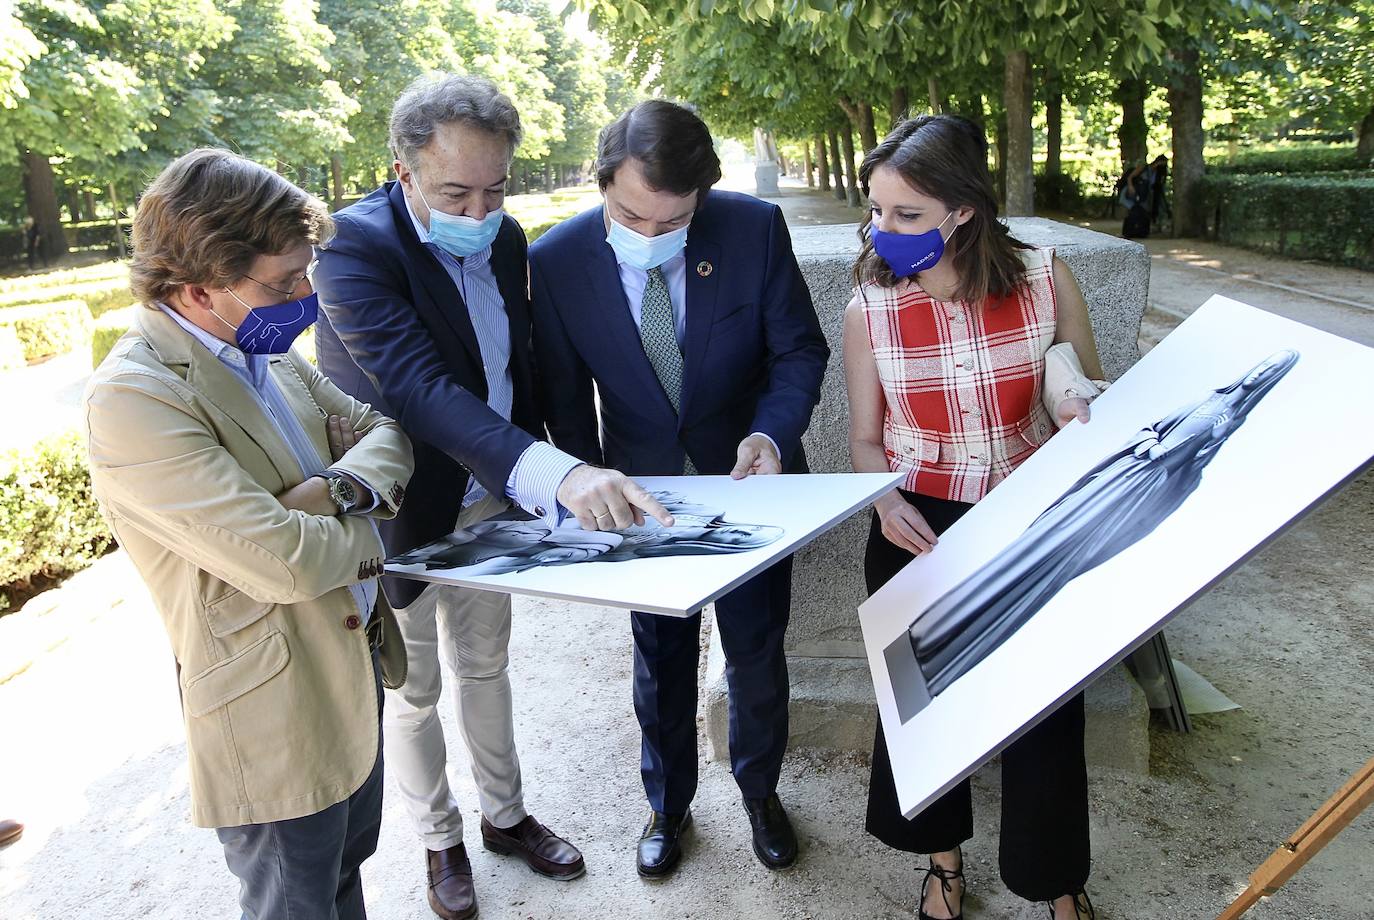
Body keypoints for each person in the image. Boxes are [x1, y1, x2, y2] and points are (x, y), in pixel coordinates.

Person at [312, 74, 663, 920]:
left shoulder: (503, 241)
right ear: (401, 169)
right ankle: (439, 841)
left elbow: (520, 370)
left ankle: (504, 817)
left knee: (489, 668)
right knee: (414, 687)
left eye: (497, 189)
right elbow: (422, 389)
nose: (479, 213)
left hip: (492, 498)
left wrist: (560, 474)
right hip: (403, 508)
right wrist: (555, 473)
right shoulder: (351, 249)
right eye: (455, 193)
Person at [82, 148, 415, 920]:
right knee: (293, 902)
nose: (307, 295)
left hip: (350, 662)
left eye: (307, 272)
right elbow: (290, 563)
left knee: (344, 875)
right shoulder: (137, 397)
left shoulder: (265, 351)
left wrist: (327, 488)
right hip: (273, 709)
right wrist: (367, 523)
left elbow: (382, 432)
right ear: (198, 287)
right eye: (284, 281)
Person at [529, 100, 829, 877]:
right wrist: (587, 489)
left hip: (750, 482)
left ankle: (761, 791)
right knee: (658, 658)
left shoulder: (752, 228)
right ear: (603, 184)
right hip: (639, 492)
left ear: (702, 195)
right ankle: (667, 806)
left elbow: (798, 350)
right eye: (632, 215)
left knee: (757, 649)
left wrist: (772, 433)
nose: (653, 237)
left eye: (674, 221)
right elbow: (564, 396)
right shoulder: (556, 259)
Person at [843, 114, 1106, 920]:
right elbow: (863, 439)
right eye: (877, 211)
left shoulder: (1046, 278)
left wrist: (1077, 405)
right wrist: (884, 498)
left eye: (906, 214)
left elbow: (1091, 391)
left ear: (963, 210)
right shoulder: (869, 307)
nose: (885, 230)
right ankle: (943, 863)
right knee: (928, 711)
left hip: (1032, 520)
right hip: (917, 526)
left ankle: (1056, 882)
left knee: (1048, 708)